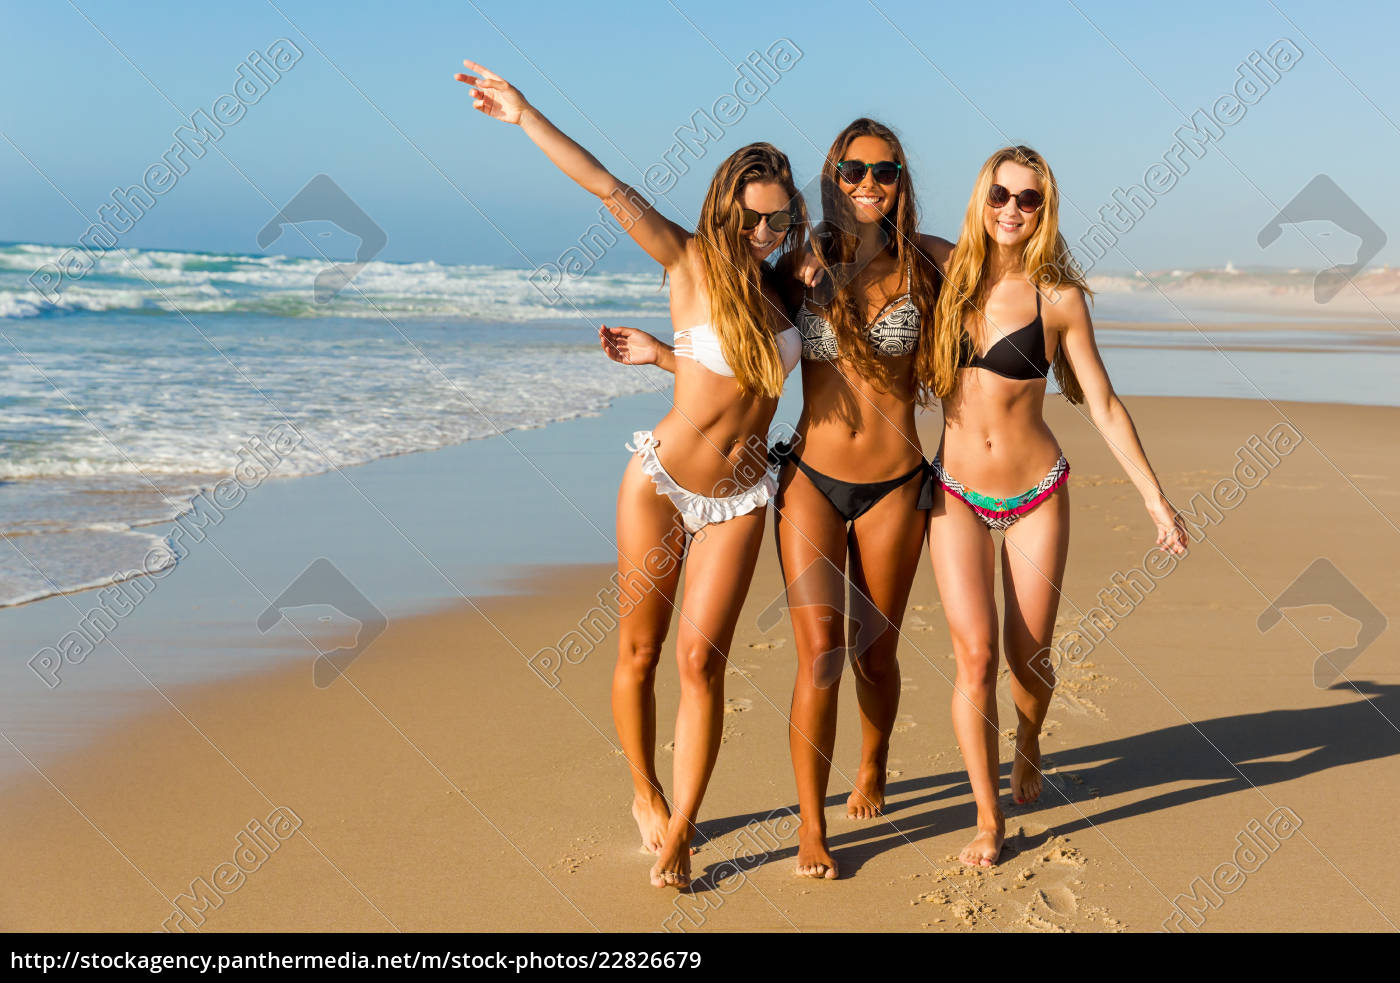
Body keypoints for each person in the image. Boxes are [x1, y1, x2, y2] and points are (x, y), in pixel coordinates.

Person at [454, 59, 806, 888]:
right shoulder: (687, 263)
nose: (767, 234)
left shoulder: (791, 291)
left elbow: (739, 382)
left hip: (742, 497)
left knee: (702, 664)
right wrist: (527, 114)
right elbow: (607, 188)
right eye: (756, 219)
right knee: (641, 651)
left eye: (782, 221)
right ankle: (645, 788)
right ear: (728, 208)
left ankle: (684, 828)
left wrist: (661, 356)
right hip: (661, 484)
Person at [919, 145, 1189, 867]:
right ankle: (987, 817)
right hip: (954, 494)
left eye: (1028, 199)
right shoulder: (942, 271)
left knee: (1027, 659)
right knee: (973, 657)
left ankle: (1029, 737)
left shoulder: (1058, 297)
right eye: (1000, 194)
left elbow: (1100, 401)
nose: (1011, 209)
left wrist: (1154, 499)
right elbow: (868, 232)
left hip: (1036, 494)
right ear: (981, 198)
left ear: (1045, 209)